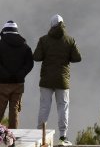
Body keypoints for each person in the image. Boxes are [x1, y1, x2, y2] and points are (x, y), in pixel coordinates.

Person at [34, 14, 82, 146]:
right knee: (63, 107)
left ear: (51, 25)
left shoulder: (43, 40)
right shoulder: (70, 40)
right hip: (62, 79)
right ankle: (63, 137)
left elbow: (36, 57)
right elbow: (77, 58)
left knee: (44, 107)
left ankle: (39, 136)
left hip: (46, 80)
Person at [0, 20, 34, 129]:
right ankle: (13, 136)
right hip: (18, 84)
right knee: (14, 110)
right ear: (17, 32)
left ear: (4, 31)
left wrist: (4, 74)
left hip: (2, 84)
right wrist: (21, 74)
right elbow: (30, 63)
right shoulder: (25, 46)